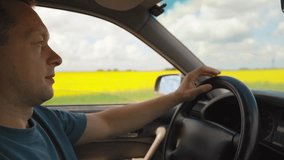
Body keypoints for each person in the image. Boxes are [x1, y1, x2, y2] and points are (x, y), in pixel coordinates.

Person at [0, 0, 220, 159]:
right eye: (39, 43)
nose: (57, 58)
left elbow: (107, 122)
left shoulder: (41, 118)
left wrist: (177, 96)